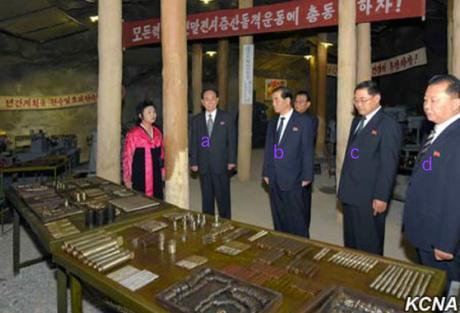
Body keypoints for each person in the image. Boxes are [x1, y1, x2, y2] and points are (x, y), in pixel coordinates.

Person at [403, 74, 460, 283]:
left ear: (456, 103)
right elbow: (426, 168)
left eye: (434, 100)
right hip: (426, 229)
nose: (427, 105)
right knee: (430, 285)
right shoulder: (438, 130)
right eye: (425, 100)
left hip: (441, 237)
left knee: (447, 293)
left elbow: (457, 196)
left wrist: (447, 242)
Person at [338, 80, 402, 255]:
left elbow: (389, 165)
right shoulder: (357, 122)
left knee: (369, 243)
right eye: (355, 100)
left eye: (363, 100)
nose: (358, 104)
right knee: (351, 242)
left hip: (369, 195)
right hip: (351, 191)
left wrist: (381, 196)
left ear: (377, 99)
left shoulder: (388, 125)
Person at [262, 86, 315, 237]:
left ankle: (302, 249)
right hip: (274, 176)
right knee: (278, 216)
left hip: (294, 176)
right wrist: (266, 171)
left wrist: (307, 176)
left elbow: (307, 150)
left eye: (276, 100)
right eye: (272, 100)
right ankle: (282, 243)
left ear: (287, 101)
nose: (273, 103)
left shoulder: (303, 121)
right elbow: (268, 148)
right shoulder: (273, 121)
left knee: (297, 218)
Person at [190, 88, 237, 219]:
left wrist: (232, 160)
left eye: (212, 98)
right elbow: (194, 142)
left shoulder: (226, 118)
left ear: (217, 100)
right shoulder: (196, 120)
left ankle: (226, 222)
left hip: (221, 163)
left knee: (223, 197)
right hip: (203, 164)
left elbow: (232, 141)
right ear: (202, 102)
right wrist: (194, 161)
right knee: (207, 197)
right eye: (206, 99)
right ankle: (208, 222)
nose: (209, 101)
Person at [123, 100, 164, 199]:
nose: (153, 115)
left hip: (156, 175)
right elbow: (127, 158)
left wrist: (163, 171)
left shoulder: (158, 132)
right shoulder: (133, 134)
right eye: (149, 112)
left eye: (154, 112)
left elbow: (162, 155)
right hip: (140, 176)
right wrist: (127, 178)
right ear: (140, 116)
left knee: (157, 202)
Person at [294, 90, 319, 224]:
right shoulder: (289, 117)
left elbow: (308, 144)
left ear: (308, 104)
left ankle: (304, 225)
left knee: (303, 198)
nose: (298, 104)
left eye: (301, 102)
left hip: (303, 163)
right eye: (296, 101)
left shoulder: (311, 120)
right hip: (289, 165)